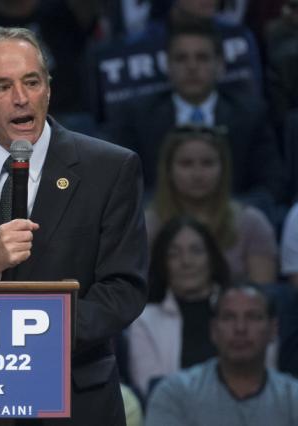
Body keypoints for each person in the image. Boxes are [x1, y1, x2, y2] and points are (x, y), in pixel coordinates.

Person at [0, 26, 148, 425]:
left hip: (75, 400)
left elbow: (123, 290)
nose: (21, 98)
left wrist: (32, 336)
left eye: (31, 82)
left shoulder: (110, 168)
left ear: (48, 87)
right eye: (2, 87)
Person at [110, 21, 284, 202]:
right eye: (181, 58)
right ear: (167, 66)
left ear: (220, 65)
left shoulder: (250, 114)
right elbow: (124, 183)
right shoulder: (138, 115)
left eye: (202, 57)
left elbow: (271, 183)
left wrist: (233, 213)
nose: (192, 67)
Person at [145, 283, 298, 426]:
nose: (240, 328)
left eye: (252, 317)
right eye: (229, 317)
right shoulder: (176, 393)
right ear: (213, 330)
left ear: (273, 329)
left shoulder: (293, 397)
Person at [146, 125, 278, 284]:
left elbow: (262, 295)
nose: (197, 174)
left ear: (223, 168)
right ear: (168, 170)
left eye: (208, 163)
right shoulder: (146, 226)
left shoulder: (251, 223)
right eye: (186, 164)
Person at [128, 215, 230, 397]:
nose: (186, 262)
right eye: (174, 254)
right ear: (163, 264)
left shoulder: (239, 311)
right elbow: (151, 388)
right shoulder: (145, 320)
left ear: (212, 258)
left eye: (196, 251)